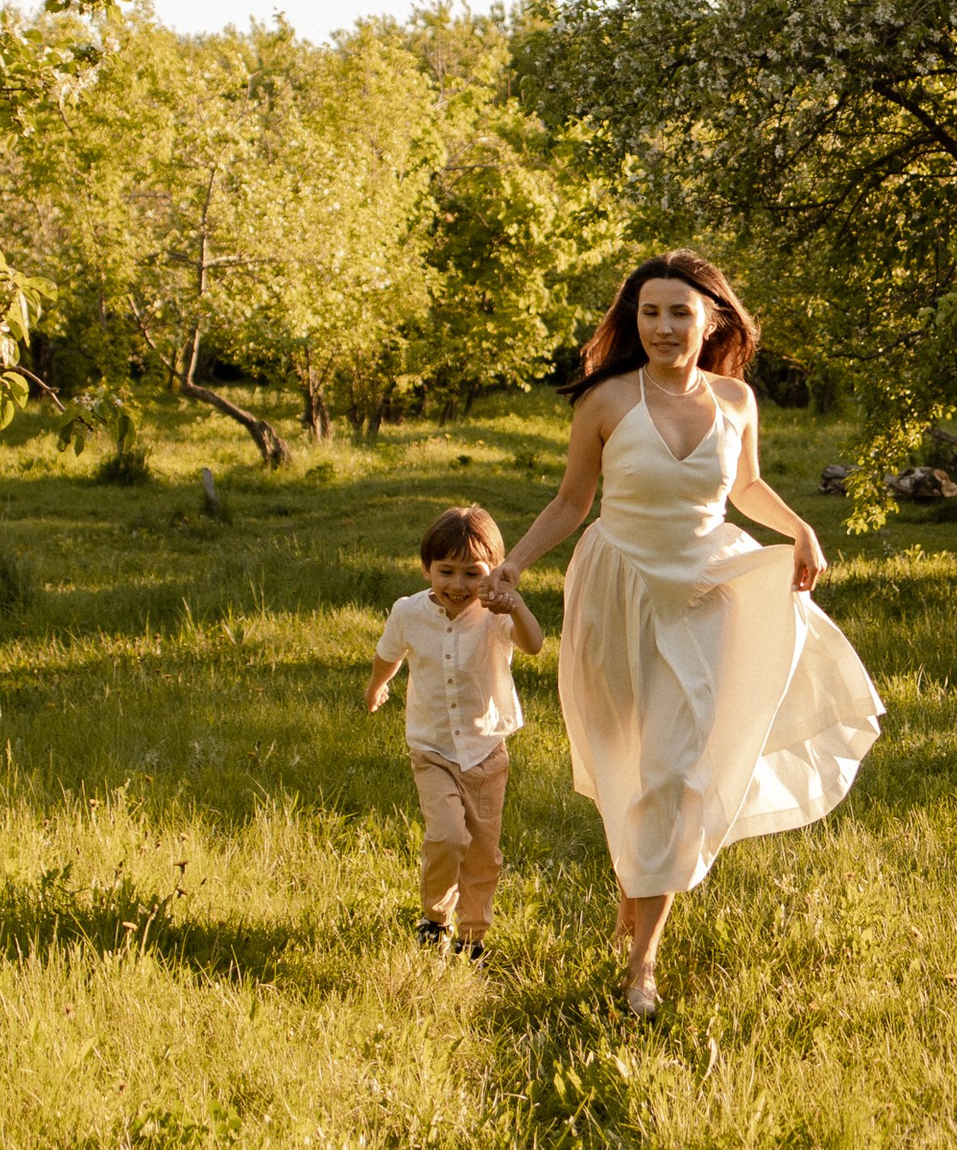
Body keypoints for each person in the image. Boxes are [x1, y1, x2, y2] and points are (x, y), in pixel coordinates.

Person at [495, 252, 881, 1017]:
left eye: (680, 312)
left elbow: (746, 487)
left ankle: (642, 963)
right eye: (650, 313)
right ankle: (635, 879)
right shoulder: (606, 401)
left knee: (676, 772)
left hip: (708, 594)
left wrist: (800, 529)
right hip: (618, 593)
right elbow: (572, 501)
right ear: (634, 321)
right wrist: (515, 563)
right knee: (626, 760)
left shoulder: (735, 400)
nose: (664, 327)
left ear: (712, 320)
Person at [366, 502, 544, 961]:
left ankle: (472, 935)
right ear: (427, 569)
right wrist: (376, 687)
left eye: (472, 573)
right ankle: (435, 917)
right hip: (432, 748)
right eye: (446, 572)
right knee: (447, 836)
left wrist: (516, 603)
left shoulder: (494, 613)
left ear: (493, 573)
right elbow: (388, 654)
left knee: (483, 853)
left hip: (486, 752)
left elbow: (534, 644)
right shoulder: (408, 612)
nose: (458, 585)